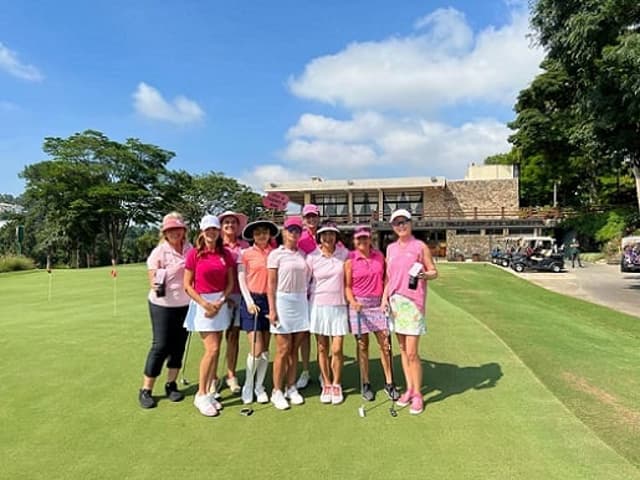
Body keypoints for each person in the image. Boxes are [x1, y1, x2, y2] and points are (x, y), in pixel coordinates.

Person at [382, 208, 438, 415]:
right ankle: (409, 389)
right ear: (393, 227)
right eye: (397, 223)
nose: (401, 226)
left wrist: (424, 274)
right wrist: (383, 299)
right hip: (395, 302)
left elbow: (434, 271)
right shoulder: (390, 249)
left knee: (413, 352)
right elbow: (388, 278)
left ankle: (417, 395)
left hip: (413, 303)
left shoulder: (419, 246)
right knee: (403, 350)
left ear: (410, 223)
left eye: (404, 221)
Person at [138, 212, 191, 409]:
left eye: (177, 229)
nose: (175, 233)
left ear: (183, 231)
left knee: (178, 346)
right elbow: (154, 282)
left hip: (185, 305)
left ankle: (171, 384)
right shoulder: (159, 252)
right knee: (160, 346)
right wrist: (172, 271)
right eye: (170, 230)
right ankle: (146, 389)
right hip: (162, 305)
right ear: (165, 233)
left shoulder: (190, 249)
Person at [183, 215, 234, 417]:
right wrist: (205, 303)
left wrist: (220, 302)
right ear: (202, 232)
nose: (211, 233)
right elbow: (187, 285)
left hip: (219, 303)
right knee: (211, 349)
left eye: (214, 229)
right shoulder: (194, 254)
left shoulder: (225, 254)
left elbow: (230, 283)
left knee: (217, 348)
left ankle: (208, 393)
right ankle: (202, 394)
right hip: (201, 304)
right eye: (208, 230)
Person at [344, 225, 399, 403]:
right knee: (362, 345)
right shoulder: (350, 259)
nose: (362, 241)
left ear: (370, 239)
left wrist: (385, 300)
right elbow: (346, 286)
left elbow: (386, 279)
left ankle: (389, 382)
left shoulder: (379, 256)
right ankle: (366, 382)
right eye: (359, 238)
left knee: (385, 343)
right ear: (355, 240)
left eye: (365, 238)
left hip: (377, 303)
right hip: (359, 305)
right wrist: (353, 302)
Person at [267, 216, 309, 410]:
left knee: (294, 350)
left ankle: (291, 387)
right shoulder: (276, 254)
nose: (294, 233)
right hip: (282, 301)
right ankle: (277, 390)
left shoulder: (303, 254)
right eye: (291, 230)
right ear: (284, 232)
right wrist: (272, 309)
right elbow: (271, 284)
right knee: (283, 350)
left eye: (297, 230)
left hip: (301, 301)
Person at [237, 219, 279, 404]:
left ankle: (259, 386)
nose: (262, 235)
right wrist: (248, 301)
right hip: (252, 301)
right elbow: (241, 278)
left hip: (270, 301)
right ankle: (248, 384)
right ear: (252, 236)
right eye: (258, 233)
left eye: (265, 232)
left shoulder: (275, 253)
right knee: (256, 348)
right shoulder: (245, 253)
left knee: (265, 349)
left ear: (270, 235)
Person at [307, 220, 349, 404]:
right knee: (322, 347)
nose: (328, 237)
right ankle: (326, 382)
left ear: (336, 236)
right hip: (318, 305)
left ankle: (337, 383)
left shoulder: (345, 254)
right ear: (319, 237)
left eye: (332, 234)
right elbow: (305, 283)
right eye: (325, 234)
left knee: (337, 349)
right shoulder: (312, 257)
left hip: (339, 306)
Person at [217, 210, 250, 397]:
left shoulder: (244, 246)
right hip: (218, 297)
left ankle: (231, 375)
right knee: (214, 339)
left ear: (238, 226)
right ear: (221, 226)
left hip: (240, 296)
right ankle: (213, 377)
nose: (230, 225)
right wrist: (223, 295)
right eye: (226, 222)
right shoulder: (215, 245)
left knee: (233, 336)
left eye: (233, 222)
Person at [294, 203, 320, 389]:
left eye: (314, 216)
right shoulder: (299, 239)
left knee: (321, 334)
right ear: (303, 219)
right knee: (304, 334)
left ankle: (322, 371)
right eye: (307, 217)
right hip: (303, 293)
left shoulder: (328, 234)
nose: (311, 220)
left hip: (322, 293)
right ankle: (305, 371)